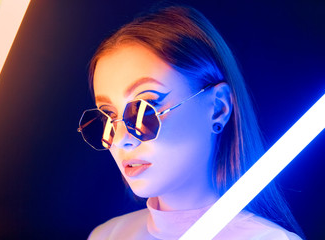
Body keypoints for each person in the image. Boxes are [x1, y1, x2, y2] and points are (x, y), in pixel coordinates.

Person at [79, 5, 305, 239]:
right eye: (107, 115)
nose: (121, 140)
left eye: (145, 108)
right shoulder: (105, 236)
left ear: (218, 108)